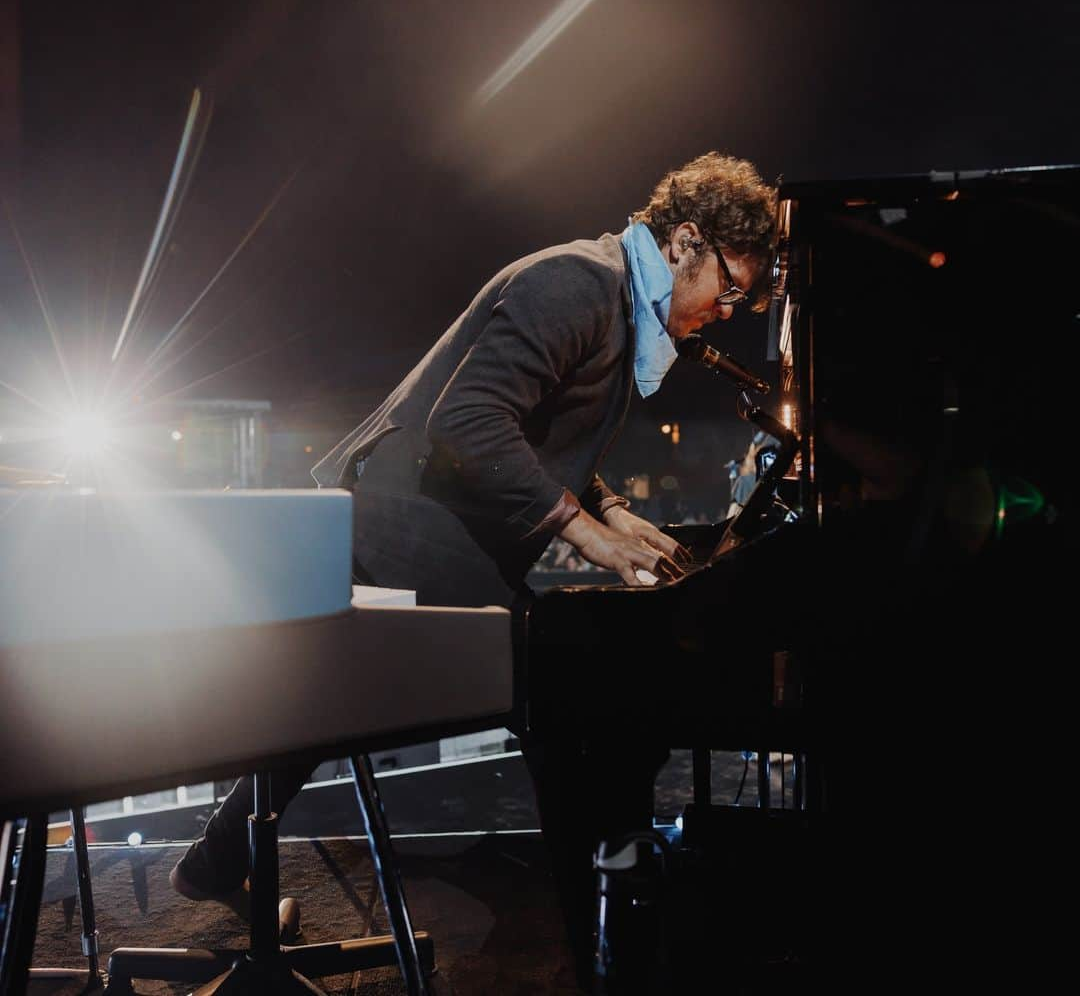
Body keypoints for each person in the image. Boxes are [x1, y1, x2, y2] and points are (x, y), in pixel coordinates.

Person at [170, 151, 778, 986]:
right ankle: (593, 940)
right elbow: (470, 423)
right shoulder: (576, 284)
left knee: (329, 710)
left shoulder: (603, 292)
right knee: (560, 711)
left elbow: (531, 432)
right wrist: (585, 534)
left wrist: (609, 509)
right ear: (683, 243)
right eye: (730, 289)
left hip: (427, 536)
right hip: (408, 535)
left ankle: (210, 861)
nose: (725, 311)